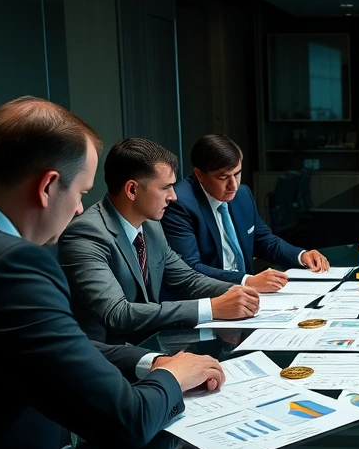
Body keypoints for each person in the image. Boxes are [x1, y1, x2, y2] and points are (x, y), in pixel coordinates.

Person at [0, 96, 225, 449]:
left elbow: (48, 344)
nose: (82, 207)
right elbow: (127, 422)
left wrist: (149, 362)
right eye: (81, 191)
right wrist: (174, 375)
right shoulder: (14, 265)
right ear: (47, 186)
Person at [59, 138, 260, 345]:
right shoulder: (87, 233)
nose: (173, 196)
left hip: (152, 344)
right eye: (166, 187)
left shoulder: (151, 225)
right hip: (106, 359)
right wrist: (212, 307)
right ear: (132, 190)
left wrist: (238, 292)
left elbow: (186, 279)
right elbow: (117, 313)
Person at [161, 134, 329, 292]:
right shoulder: (179, 203)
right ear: (200, 175)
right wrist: (246, 281)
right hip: (212, 296)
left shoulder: (242, 194)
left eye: (237, 173)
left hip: (249, 295)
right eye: (223, 177)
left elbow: (263, 240)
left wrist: (301, 255)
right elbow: (189, 268)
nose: (233, 185)